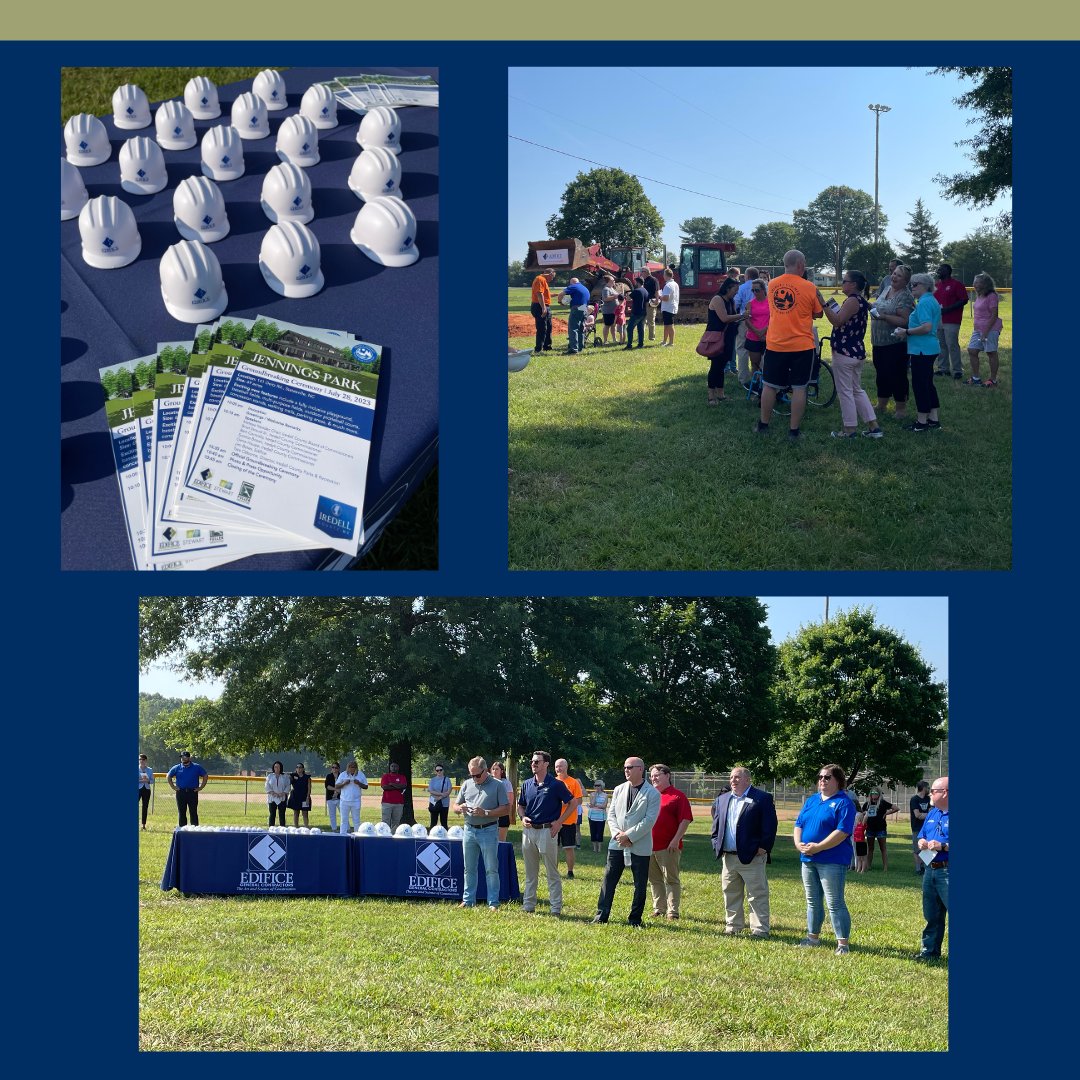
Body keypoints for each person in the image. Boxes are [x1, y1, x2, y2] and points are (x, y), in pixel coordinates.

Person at [755, 249, 823, 441]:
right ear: (801, 265)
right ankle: (793, 430)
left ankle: (763, 425)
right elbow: (818, 313)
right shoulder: (809, 286)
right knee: (800, 388)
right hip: (802, 345)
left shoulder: (772, 284)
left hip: (776, 344)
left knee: (769, 385)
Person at [792, 763, 856, 955]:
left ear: (838, 781)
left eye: (827, 777)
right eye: (820, 777)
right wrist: (798, 844)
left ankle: (842, 944)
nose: (822, 780)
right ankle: (813, 938)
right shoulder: (812, 800)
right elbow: (799, 824)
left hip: (832, 860)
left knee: (834, 902)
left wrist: (818, 847)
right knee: (812, 901)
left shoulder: (844, 803)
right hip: (808, 858)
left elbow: (842, 832)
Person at [592, 757, 661, 927]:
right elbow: (612, 815)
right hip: (617, 844)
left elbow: (649, 820)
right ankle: (602, 915)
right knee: (609, 880)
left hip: (640, 846)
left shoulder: (652, 793)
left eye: (629, 767)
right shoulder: (619, 789)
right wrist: (618, 835)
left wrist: (629, 836)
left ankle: (635, 919)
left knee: (639, 884)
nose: (626, 770)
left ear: (640, 769)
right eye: (624, 767)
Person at [710, 765, 777, 936]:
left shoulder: (762, 798)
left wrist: (763, 847)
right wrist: (716, 843)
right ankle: (733, 927)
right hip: (729, 857)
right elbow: (716, 825)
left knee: (757, 895)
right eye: (732, 777)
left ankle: (760, 930)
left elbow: (770, 826)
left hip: (753, 857)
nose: (733, 780)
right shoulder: (722, 799)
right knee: (730, 893)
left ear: (748, 780)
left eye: (738, 777)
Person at [819, 270, 883, 439]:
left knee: (845, 392)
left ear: (853, 284)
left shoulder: (853, 300)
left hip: (844, 352)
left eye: (845, 281)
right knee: (856, 390)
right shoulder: (860, 300)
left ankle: (849, 429)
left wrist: (824, 304)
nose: (842, 283)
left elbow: (837, 321)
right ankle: (873, 427)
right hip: (855, 352)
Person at [518, 750, 574, 915]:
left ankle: (555, 908)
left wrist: (559, 822)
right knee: (530, 872)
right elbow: (521, 805)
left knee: (552, 872)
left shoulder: (556, 784)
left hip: (547, 831)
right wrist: (522, 817)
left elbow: (572, 803)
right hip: (528, 831)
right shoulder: (526, 784)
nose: (533, 764)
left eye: (537, 762)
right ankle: (528, 906)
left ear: (546, 764)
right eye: (532, 761)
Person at [454, 756, 509, 909]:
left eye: (477, 775)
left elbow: (506, 808)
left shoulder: (497, 785)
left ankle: (493, 903)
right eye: (471, 775)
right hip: (469, 830)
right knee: (469, 868)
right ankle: (468, 900)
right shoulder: (467, 784)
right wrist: (459, 808)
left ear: (485, 771)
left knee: (491, 868)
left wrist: (485, 813)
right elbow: (455, 805)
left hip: (489, 830)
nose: (474, 778)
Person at [895, 272, 943, 432]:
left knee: (920, 385)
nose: (912, 287)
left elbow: (927, 327)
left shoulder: (924, 303)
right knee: (928, 384)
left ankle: (922, 422)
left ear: (925, 286)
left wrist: (906, 332)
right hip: (929, 348)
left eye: (915, 284)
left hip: (922, 349)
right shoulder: (930, 300)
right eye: (911, 284)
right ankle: (933, 419)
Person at [647, 764, 694, 920]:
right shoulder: (649, 795)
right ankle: (659, 908)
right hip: (648, 846)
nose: (654, 778)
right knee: (654, 880)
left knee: (671, 879)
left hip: (668, 847)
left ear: (667, 775)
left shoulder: (677, 796)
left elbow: (685, 820)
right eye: (652, 776)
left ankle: (672, 912)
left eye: (657, 775)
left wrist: (676, 840)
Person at [870, 263, 915, 420]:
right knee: (881, 373)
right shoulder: (886, 289)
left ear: (906, 281)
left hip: (895, 343)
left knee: (897, 375)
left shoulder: (905, 296)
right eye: (894, 274)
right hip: (878, 342)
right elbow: (878, 306)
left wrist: (884, 317)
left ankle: (900, 408)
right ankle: (881, 404)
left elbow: (905, 321)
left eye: (899, 275)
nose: (894, 277)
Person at [916, 777, 949, 960]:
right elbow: (922, 835)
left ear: (945, 792)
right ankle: (929, 952)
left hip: (947, 869)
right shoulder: (933, 813)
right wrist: (922, 841)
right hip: (930, 869)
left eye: (933, 791)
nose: (930, 794)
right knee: (932, 914)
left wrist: (943, 846)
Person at [704, 277, 744, 404]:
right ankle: (711, 396)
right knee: (715, 366)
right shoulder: (717, 299)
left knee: (721, 366)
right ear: (728, 288)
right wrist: (742, 315)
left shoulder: (730, 300)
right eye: (735, 289)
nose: (736, 292)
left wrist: (740, 318)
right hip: (716, 337)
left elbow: (731, 318)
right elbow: (725, 318)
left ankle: (721, 394)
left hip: (727, 337)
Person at [966, 272, 1003, 386]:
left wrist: (985, 332)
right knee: (972, 350)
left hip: (990, 329)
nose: (975, 284)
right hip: (978, 329)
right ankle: (976, 378)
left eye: (978, 282)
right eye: (974, 282)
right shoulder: (979, 295)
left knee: (991, 352)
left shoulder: (992, 295)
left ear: (986, 284)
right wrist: (977, 329)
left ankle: (993, 380)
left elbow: (994, 315)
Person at [933, 263, 968, 378]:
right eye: (938, 269)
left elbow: (964, 300)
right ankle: (944, 368)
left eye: (941, 269)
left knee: (951, 344)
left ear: (948, 271)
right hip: (939, 319)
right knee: (941, 344)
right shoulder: (936, 286)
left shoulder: (956, 284)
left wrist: (948, 309)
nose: (938, 271)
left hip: (952, 319)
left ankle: (957, 370)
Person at [553, 758, 583, 878]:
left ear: (566, 767)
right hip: (553, 821)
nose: (558, 769)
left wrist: (565, 803)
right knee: (553, 849)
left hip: (569, 821)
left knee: (569, 848)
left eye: (561, 766)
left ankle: (570, 872)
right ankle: (554, 871)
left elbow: (579, 800)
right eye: (556, 767)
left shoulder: (573, 782)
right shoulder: (552, 782)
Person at [167, 750, 208, 827]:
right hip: (181, 792)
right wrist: (173, 786)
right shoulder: (177, 767)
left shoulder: (196, 767)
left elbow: (205, 776)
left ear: (189, 758)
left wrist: (201, 787)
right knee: (182, 812)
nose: (183, 759)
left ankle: (195, 829)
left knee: (193, 812)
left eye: (185, 757)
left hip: (192, 792)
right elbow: (168, 776)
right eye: (181, 757)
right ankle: (183, 829)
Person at [861, 788, 898, 870]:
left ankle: (885, 867)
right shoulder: (867, 804)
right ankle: (868, 866)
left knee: (883, 848)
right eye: (872, 793)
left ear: (879, 794)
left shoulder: (883, 803)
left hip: (881, 828)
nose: (874, 794)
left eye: (876, 793)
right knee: (870, 848)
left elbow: (896, 808)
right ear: (870, 794)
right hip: (870, 828)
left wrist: (887, 813)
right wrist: (865, 813)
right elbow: (862, 813)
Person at [561, 276, 591, 355]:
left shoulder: (573, 286)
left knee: (573, 328)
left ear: (572, 283)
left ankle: (573, 349)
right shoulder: (585, 288)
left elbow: (561, 294)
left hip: (576, 308)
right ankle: (580, 347)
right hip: (584, 308)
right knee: (581, 328)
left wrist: (560, 301)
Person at [335, 760, 368, 834]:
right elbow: (336, 785)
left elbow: (366, 786)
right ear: (347, 767)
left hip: (356, 801)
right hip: (344, 801)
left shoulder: (360, 774)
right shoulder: (343, 774)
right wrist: (344, 783)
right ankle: (342, 836)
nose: (352, 768)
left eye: (353, 767)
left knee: (356, 820)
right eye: (350, 767)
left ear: (356, 767)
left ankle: (357, 836)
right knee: (344, 820)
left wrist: (359, 783)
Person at [530, 267, 556, 355]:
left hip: (543, 305)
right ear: (550, 274)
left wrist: (557, 294)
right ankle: (538, 349)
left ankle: (547, 346)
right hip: (539, 306)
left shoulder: (543, 280)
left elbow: (545, 294)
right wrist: (543, 307)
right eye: (552, 277)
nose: (552, 279)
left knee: (548, 327)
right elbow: (539, 294)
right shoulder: (540, 279)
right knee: (542, 328)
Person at [909, 780, 931, 874]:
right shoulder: (914, 799)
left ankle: (926, 868)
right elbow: (917, 815)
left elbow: (931, 811)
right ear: (924, 788)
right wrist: (928, 814)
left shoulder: (928, 799)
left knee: (927, 847)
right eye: (928, 787)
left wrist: (924, 815)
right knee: (917, 849)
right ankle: (918, 869)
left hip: (927, 828)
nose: (929, 789)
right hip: (917, 827)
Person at [490, 760, 515, 842]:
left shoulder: (506, 783)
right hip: (490, 814)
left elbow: (510, 801)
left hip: (502, 814)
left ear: (502, 771)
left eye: (497, 769)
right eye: (493, 769)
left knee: (501, 841)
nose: (494, 771)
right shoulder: (488, 783)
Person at [380, 762, 408, 830]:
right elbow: (385, 787)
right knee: (385, 821)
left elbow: (404, 786)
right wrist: (398, 787)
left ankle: (394, 836)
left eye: (395, 766)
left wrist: (392, 784)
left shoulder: (402, 777)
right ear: (390, 767)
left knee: (396, 822)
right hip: (387, 802)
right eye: (392, 766)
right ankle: (385, 834)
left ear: (398, 768)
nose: (393, 768)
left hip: (399, 803)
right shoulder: (385, 776)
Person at [623, 276, 648, 350]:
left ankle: (629, 344)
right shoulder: (645, 291)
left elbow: (628, 298)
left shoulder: (637, 291)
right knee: (640, 329)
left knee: (629, 328)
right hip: (644, 312)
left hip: (636, 312)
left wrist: (627, 294)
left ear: (637, 282)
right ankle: (641, 344)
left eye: (635, 282)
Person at [659, 268, 680, 347]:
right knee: (666, 325)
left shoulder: (668, 285)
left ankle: (671, 342)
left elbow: (666, 298)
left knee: (670, 325)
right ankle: (664, 341)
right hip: (671, 307)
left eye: (664, 274)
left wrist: (660, 297)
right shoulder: (675, 284)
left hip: (668, 307)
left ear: (666, 275)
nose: (663, 276)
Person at [265, 760, 289, 826]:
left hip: (282, 798)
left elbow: (288, 786)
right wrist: (273, 793)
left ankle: (282, 829)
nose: (277, 768)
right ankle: (271, 828)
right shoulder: (270, 776)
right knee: (272, 814)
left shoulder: (285, 776)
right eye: (275, 767)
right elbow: (267, 786)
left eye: (278, 767)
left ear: (281, 768)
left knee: (282, 814)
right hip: (272, 798)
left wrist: (283, 793)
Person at [428, 764, 452, 830]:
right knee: (433, 822)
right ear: (435, 771)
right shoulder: (432, 780)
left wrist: (440, 797)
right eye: (437, 770)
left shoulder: (447, 779)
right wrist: (441, 794)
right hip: (434, 802)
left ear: (443, 770)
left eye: (440, 770)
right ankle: (431, 836)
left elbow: (449, 791)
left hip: (444, 803)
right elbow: (430, 790)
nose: (439, 771)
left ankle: (445, 837)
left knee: (444, 822)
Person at [288, 762, 312, 827]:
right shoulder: (293, 776)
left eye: (300, 767)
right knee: (296, 813)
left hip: (304, 797)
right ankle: (296, 827)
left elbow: (309, 788)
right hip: (295, 796)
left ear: (303, 769)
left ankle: (306, 827)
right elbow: (288, 783)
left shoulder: (307, 777)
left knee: (305, 813)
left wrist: (307, 797)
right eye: (297, 767)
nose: (299, 769)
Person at [587, 780, 608, 852]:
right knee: (593, 832)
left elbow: (604, 806)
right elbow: (592, 803)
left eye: (598, 785)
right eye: (595, 785)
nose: (597, 787)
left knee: (600, 832)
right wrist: (595, 796)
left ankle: (599, 848)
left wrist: (595, 805)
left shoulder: (605, 795)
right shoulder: (592, 794)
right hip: (592, 816)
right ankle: (594, 848)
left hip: (601, 817)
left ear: (602, 786)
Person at [599, 274, 619, 345]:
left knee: (614, 325)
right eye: (613, 280)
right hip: (608, 311)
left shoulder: (612, 288)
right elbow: (605, 298)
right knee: (607, 325)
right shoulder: (606, 289)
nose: (614, 281)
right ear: (609, 281)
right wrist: (615, 296)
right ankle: (605, 341)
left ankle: (614, 339)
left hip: (614, 310)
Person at [643, 270, 661, 340]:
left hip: (651, 302)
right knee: (643, 320)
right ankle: (642, 336)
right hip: (644, 302)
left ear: (646, 272)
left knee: (651, 320)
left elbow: (657, 290)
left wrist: (657, 299)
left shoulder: (653, 280)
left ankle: (651, 337)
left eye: (642, 271)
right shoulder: (644, 280)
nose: (641, 273)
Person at [324, 762, 342, 832]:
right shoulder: (329, 776)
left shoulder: (341, 776)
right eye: (333, 767)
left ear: (338, 768)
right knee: (332, 815)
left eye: (336, 767)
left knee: (343, 814)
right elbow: (327, 786)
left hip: (340, 798)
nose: (334, 769)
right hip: (330, 798)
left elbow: (343, 786)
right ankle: (334, 829)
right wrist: (335, 789)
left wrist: (337, 792)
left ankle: (346, 828)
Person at [138, 754, 154, 830]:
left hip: (146, 789)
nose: (141, 761)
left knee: (145, 807)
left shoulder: (150, 770)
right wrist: (141, 780)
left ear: (146, 760)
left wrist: (148, 781)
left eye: (143, 759)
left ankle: (143, 825)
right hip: (138, 789)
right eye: (140, 759)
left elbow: (152, 781)